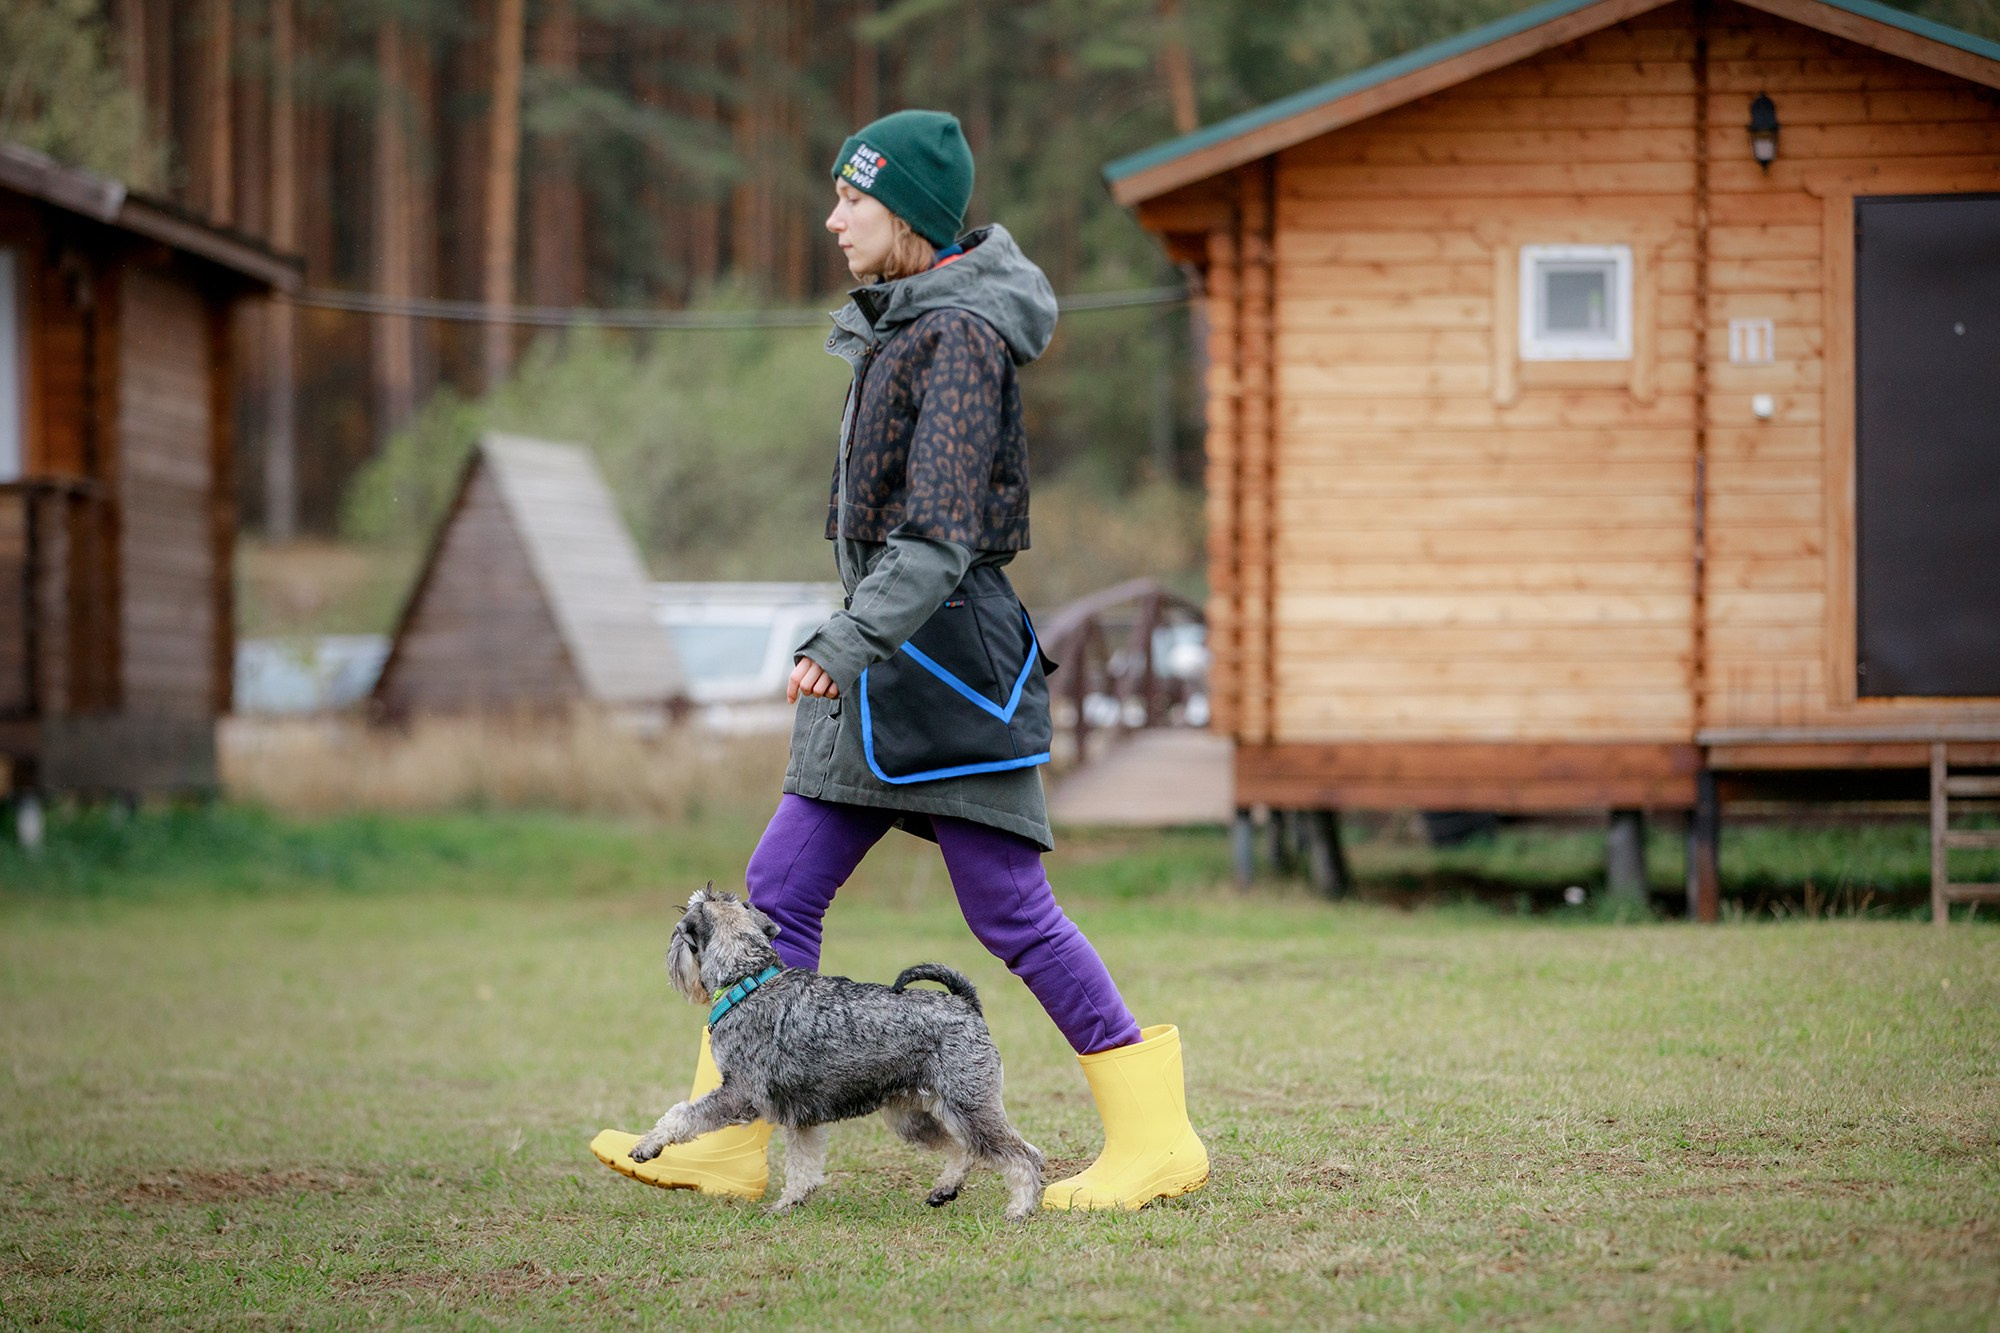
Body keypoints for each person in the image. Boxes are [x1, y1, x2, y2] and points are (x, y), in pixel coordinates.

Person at [593, 110, 1206, 1212]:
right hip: (881, 667)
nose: (831, 219)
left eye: (852, 199)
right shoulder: (902, 322)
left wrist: (841, 640)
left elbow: (936, 537)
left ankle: (1154, 1137)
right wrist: (855, 641)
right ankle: (729, 1140)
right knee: (778, 889)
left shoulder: (961, 337)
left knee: (1008, 911)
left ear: (910, 217)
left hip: (949, 669)